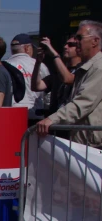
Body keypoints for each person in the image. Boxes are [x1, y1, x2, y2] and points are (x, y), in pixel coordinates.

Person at [36, 20, 102, 148]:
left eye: (79, 37)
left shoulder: (99, 68)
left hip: (95, 147)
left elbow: (83, 103)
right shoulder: (85, 68)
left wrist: (52, 119)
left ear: (95, 41)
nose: (75, 41)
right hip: (84, 143)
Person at [31, 36, 81, 116]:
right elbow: (36, 86)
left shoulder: (82, 70)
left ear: (80, 49)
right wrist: (38, 63)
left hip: (71, 119)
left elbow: (67, 79)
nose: (65, 47)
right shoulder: (58, 73)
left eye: (70, 45)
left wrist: (55, 55)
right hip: (55, 120)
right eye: (65, 44)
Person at [6, 33, 49, 120]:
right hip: (35, 115)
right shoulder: (39, 65)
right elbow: (48, 92)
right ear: (27, 48)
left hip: (12, 114)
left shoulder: (4, 66)